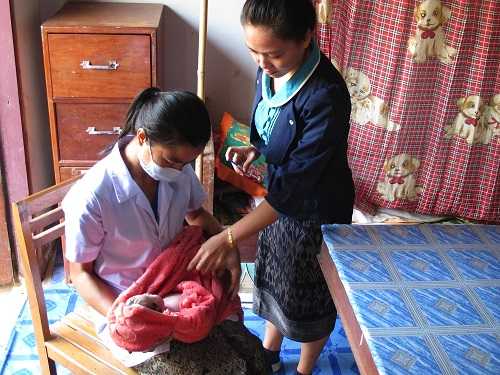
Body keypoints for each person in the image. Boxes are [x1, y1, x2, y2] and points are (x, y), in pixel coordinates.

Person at [188, 1, 355, 374]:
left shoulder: (325, 96)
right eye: (254, 52)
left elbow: (295, 188)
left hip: (315, 210)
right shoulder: (270, 70)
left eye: (274, 53)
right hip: (278, 201)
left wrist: (227, 237)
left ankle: (305, 369)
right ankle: (269, 352)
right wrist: (259, 147)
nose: (262, 63)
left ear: (307, 37)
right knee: (276, 277)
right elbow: (273, 120)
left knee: (308, 294)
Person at [62, 87, 267, 374]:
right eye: (172, 160)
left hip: (175, 285)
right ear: (143, 137)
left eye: (186, 163)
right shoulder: (93, 196)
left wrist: (227, 245)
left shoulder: (178, 172)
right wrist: (125, 316)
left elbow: (196, 216)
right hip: (127, 298)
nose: (180, 170)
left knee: (253, 358)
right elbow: (79, 274)